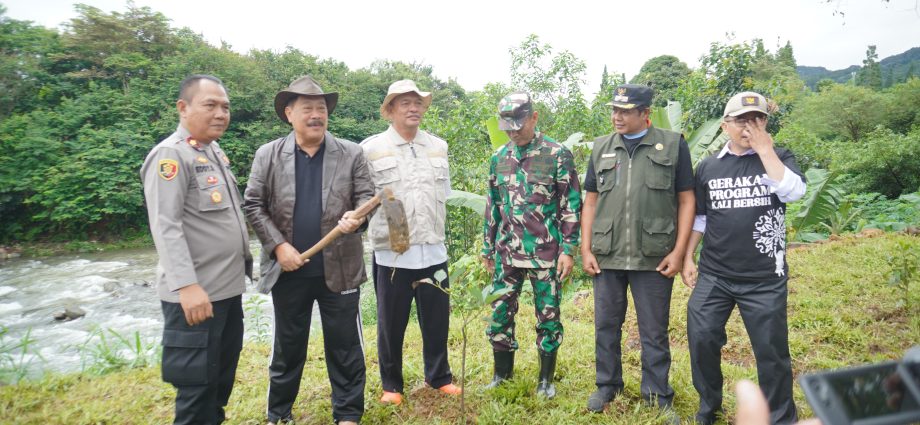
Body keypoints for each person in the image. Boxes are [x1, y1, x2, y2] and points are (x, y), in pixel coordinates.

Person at [242, 76, 374, 425]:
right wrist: (279, 246)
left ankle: (347, 414)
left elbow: (366, 197)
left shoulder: (351, 153)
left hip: (340, 267)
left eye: (321, 108)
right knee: (287, 347)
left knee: (345, 346)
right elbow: (253, 204)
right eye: (307, 109)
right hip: (289, 270)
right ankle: (278, 414)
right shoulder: (268, 155)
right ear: (289, 113)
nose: (316, 115)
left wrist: (356, 217)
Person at [682, 91, 806, 425]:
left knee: (771, 352)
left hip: (765, 277)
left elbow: (794, 192)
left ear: (766, 123)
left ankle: (781, 418)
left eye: (758, 119)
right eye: (741, 120)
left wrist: (765, 150)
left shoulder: (779, 156)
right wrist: (688, 257)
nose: (749, 126)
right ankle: (709, 408)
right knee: (702, 337)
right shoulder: (708, 166)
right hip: (715, 275)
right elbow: (701, 217)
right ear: (725, 125)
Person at [140, 74, 252, 424]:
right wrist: (186, 286)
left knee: (219, 382)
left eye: (225, 107)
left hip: (226, 290)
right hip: (196, 296)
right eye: (210, 105)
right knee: (196, 390)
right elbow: (166, 225)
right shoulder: (170, 156)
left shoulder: (212, 151)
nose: (221, 114)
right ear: (183, 107)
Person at [581, 84, 695, 415]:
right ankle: (607, 385)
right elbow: (591, 200)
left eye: (625, 111)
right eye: (614, 110)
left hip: (654, 254)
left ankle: (657, 395)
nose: (617, 117)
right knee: (605, 324)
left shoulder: (672, 145)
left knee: (654, 329)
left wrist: (678, 251)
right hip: (608, 252)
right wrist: (586, 248)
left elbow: (687, 199)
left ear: (645, 114)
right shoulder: (601, 147)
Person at [360, 80, 460, 405]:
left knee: (436, 318)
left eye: (417, 102)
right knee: (391, 322)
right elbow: (363, 200)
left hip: (433, 245)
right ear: (390, 110)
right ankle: (392, 385)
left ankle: (439, 376)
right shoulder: (371, 149)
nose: (413, 108)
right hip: (393, 250)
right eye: (405, 103)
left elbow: (443, 196)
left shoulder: (438, 146)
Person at [481, 91, 581, 399]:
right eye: (507, 125)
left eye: (519, 123)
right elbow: (493, 205)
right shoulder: (499, 157)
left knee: (548, 317)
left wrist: (568, 250)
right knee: (500, 314)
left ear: (534, 118)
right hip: (507, 253)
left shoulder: (557, 154)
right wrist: (487, 248)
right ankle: (502, 374)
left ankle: (545, 380)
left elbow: (571, 205)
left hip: (545, 253)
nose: (512, 130)